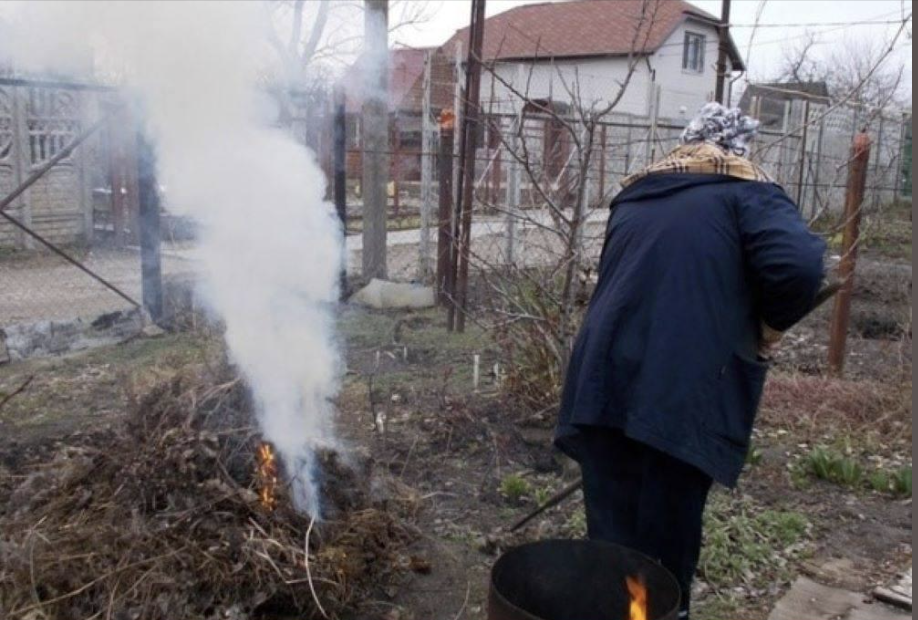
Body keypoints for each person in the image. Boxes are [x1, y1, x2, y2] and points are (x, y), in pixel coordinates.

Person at [555, 103, 826, 619]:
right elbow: (800, 265)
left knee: (613, 541)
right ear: (737, 152)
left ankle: (621, 611)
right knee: (665, 547)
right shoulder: (748, 193)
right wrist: (769, 327)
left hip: (600, 383)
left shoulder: (637, 196)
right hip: (676, 394)